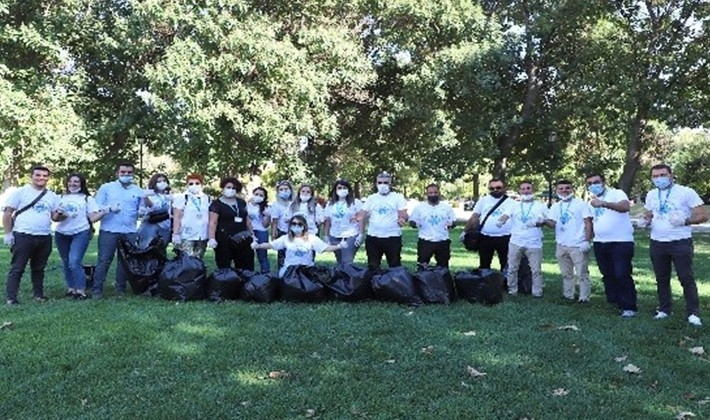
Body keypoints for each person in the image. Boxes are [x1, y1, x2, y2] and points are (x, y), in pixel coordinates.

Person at [640, 164, 709, 326]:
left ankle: (693, 313)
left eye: (662, 175)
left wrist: (685, 221)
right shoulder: (651, 194)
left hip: (680, 242)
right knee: (661, 278)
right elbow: (649, 212)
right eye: (655, 176)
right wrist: (646, 220)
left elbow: (703, 215)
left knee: (686, 278)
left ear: (671, 175)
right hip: (657, 241)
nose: (659, 179)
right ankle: (664, 309)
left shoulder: (686, 192)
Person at [3, 165, 60, 305]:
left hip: (44, 235)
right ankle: (11, 298)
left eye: (45, 176)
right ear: (32, 176)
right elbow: (8, 213)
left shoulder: (52, 196)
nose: (41, 178)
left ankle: (38, 295)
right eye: (38, 175)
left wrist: (63, 214)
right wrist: (8, 233)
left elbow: (55, 217)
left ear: (48, 178)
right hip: (24, 234)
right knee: (18, 267)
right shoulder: (21, 192)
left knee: (39, 268)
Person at [586, 172, 638, 318]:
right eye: (589, 184)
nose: (593, 185)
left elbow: (625, 206)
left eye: (596, 182)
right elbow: (591, 221)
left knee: (622, 273)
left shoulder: (616, 193)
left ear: (603, 182)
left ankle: (629, 306)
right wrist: (588, 240)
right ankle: (615, 301)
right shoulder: (591, 201)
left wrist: (604, 203)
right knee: (607, 274)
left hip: (621, 241)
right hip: (600, 242)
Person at [92, 161, 143, 298]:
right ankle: (97, 289)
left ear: (133, 174)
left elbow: (142, 209)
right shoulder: (107, 188)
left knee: (124, 261)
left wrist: (143, 211)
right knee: (104, 260)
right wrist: (108, 208)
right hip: (109, 230)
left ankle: (120, 289)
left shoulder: (138, 190)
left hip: (129, 230)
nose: (126, 175)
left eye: (129, 173)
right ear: (117, 173)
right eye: (123, 172)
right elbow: (96, 206)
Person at [496, 181, 549, 297]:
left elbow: (550, 222)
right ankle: (512, 290)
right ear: (519, 191)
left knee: (536, 270)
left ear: (533, 190)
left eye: (528, 188)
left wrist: (542, 222)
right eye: (523, 189)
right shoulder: (514, 205)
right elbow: (505, 215)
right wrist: (500, 221)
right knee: (512, 268)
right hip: (516, 241)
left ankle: (537, 292)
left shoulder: (540, 206)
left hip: (534, 242)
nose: (526, 191)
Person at [53, 173, 101, 300]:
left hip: (80, 232)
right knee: (66, 261)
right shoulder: (60, 197)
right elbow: (56, 219)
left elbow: (93, 218)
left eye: (76, 182)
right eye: (70, 181)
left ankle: (80, 290)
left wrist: (105, 211)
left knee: (74, 261)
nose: (73, 184)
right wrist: (60, 214)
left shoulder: (87, 199)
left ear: (82, 184)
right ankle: (71, 288)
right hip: (61, 233)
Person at [252, 215, 347, 276]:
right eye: (293, 224)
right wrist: (258, 246)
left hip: (307, 269)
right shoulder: (285, 238)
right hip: (289, 270)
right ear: (290, 226)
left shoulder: (312, 238)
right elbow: (270, 245)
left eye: (299, 224)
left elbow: (326, 248)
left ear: (304, 226)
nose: (296, 226)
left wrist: (339, 246)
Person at [546, 180, 593, 303]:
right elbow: (552, 223)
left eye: (567, 188)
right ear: (556, 191)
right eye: (561, 189)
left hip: (578, 244)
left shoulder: (581, 204)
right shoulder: (556, 206)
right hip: (561, 244)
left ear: (572, 189)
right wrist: (542, 221)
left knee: (582, 273)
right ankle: (568, 295)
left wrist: (587, 241)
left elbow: (588, 223)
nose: (564, 191)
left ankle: (584, 297)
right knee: (566, 273)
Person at [463, 178, 516, 270]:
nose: (495, 190)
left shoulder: (512, 203)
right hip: (485, 237)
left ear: (504, 188)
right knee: (484, 264)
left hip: (506, 237)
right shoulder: (483, 201)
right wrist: (465, 231)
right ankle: (485, 283)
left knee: (506, 265)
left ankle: (506, 283)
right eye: (492, 188)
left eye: (498, 188)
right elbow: (475, 216)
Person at [358, 172, 408, 270]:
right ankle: (373, 285)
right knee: (373, 266)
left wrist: (403, 219)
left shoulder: (397, 197)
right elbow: (362, 214)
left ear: (390, 184)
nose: (382, 185)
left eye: (385, 182)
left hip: (392, 237)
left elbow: (403, 213)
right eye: (379, 183)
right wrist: (357, 221)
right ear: (376, 184)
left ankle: (395, 284)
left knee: (394, 265)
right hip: (373, 237)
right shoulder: (372, 198)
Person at [207, 177, 255, 270]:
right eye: (228, 187)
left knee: (246, 266)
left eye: (234, 188)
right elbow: (213, 222)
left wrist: (252, 235)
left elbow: (247, 220)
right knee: (224, 266)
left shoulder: (241, 202)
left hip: (242, 237)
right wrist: (211, 238)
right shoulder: (216, 204)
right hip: (224, 239)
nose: (231, 190)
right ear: (223, 188)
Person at [409, 183, 456, 267]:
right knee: (422, 265)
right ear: (426, 194)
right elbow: (411, 221)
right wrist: (415, 224)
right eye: (430, 193)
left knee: (443, 267)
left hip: (442, 240)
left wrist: (451, 224)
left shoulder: (446, 207)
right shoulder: (420, 207)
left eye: (435, 192)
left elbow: (454, 221)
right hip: (425, 240)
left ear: (439, 193)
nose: (433, 195)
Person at [323, 179, 364, 264]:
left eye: (344, 187)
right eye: (339, 188)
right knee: (340, 261)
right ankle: (342, 277)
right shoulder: (330, 204)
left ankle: (350, 277)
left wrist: (360, 234)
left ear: (348, 189)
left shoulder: (355, 202)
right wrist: (326, 236)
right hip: (335, 235)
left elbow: (361, 218)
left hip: (351, 235)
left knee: (347, 261)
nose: (342, 190)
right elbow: (327, 221)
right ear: (335, 190)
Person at [172, 173, 211, 258]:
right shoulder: (182, 198)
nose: (194, 185)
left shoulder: (206, 198)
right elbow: (177, 217)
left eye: (197, 183)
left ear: (201, 184)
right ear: (187, 185)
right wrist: (176, 234)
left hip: (202, 235)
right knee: (187, 260)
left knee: (198, 259)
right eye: (191, 183)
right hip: (187, 234)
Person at [137, 173, 173, 251]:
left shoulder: (169, 196)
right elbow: (153, 208)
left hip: (165, 226)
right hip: (151, 224)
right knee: (147, 248)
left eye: (164, 180)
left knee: (161, 250)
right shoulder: (149, 194)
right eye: (159, 181)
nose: (162, 183)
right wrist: (145, 197)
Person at [270, 180, 294, 270]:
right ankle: (282, 274)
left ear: (291, 190)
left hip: (295, 232)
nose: (284, 191)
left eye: (286, 189)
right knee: (282, 255)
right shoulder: (276, 205)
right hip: (282, 232)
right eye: (281, 189)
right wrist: (273, 234)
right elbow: (274, 221)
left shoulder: (295, 203)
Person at [247, 186, 271, 273]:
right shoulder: (246, 205)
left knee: (262, 255)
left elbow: (265, 225)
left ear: (264, 197)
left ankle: (266, 274)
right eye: (256, 194)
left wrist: (268, 216)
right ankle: (249, 273)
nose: (258, 196)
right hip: (248, 231)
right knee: (248, 255)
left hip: (261, 232)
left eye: (261, 195)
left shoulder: (266, 208)